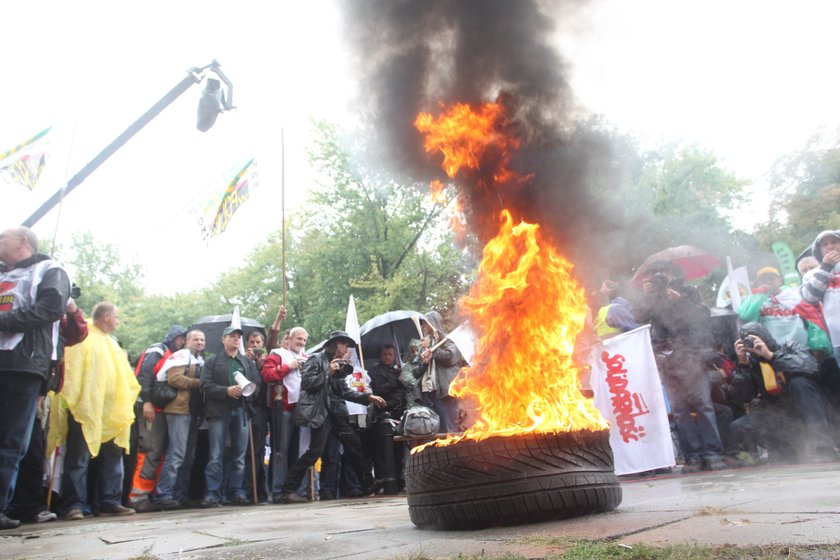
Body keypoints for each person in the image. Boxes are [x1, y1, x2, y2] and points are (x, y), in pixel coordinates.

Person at [0, 227, 70, 529]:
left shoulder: (50, 269)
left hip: (23, 364)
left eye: (4, 237)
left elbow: (51, 308)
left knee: (10, 442)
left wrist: (4, 321)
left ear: (22, 242)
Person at [633, 261, 726, 473]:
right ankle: (693, 456)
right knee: (680, 410)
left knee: (703, 405)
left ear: (670, 273)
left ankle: (713, 454)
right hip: (666, 359)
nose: (657, 277)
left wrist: (680, 301)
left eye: (660, 273)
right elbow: (638, 318)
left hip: (691, 354)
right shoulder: (651, 297)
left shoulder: (687, 291)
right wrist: (648, 296)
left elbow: (703, 316)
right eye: (652, 275)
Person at [53, 302, 140, 520]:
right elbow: (73, 370)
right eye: (116, 316)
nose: (118, 321)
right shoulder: (83, 336)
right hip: (86, 409)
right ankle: (73, 505)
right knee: (79, 457)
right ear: (107, 316)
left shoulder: (112, 343)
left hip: (110, 411)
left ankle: (110, 501)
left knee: (113, 456)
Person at [278, 330, 386, 503]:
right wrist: (328, 372)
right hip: (321, 414)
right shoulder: (316, 359)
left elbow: (344, 391)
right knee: (315, 453)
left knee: (356, 445)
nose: (347, 350)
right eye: (345, 345)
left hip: (336, 413)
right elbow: (307, 384)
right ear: (337, 344)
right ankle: (288, 490)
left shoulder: (340, 364)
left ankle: (368, 484)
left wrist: (368, 397)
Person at [8, 296, 87, 524]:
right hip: (15, 375)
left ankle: (28, 506)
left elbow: (76, 334)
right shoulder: (23, 302)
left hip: (36, 387)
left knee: (29, 448)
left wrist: (72, 311)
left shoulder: (54, 320)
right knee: (15, 446)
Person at [726, 322, 837, 462]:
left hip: (805, 408)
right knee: (739, 427)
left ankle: (822, 447)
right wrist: (742, 365)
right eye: (747, 340)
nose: (752, 343)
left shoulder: (789, 348)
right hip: (778, 414)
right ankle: (784, 450)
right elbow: (742, 397)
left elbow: (811, 367)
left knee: (800, 383)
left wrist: (771, 356)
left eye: (754, 338)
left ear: (765, 336)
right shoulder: (751, 364)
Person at [199, 326, 261, 507]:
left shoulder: (247, 362)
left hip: (241, 410)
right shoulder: (212, 361)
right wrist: (225, 391)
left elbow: (257, 384)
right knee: (215, 454)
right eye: (232, 336)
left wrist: (248, 393)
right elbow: (204, 385)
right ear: (223, 339)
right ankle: (212, 493)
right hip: (219, 411)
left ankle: (237, 491)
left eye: (238, 337)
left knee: (239, 455)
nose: (236, 339)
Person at [128, 325, 188, 512]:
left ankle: (150, 493)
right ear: (174, 337)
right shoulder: (158, 349)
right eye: (181, 338)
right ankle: (138, 496)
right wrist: (146, 401)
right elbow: (144, 374)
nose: (183, 341)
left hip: (162, 409)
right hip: (150, 408)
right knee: (149, 449)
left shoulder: (174, 354)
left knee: (158, 451)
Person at [153, 329, 205, 509]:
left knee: (186, 456)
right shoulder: (180, 355)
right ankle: (163, 494)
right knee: (176, 454)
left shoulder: (200, 359)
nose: (199, 342)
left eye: (202, 340)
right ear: (187, 341)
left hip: (192, 411)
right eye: (196, 339)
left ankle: (180, 495)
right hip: (177, 409)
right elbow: (174, 379)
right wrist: (199, 383)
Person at [261, 326, 308, 502]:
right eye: (299, 339)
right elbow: (266, 375)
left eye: (304, 340)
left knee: (300, 451)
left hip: (303, 410)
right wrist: (287, 367)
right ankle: (279, 491)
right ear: (289, 338)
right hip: (283, 408)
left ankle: (295, 489)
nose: (301, 342)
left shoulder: (307, 357)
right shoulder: (277, 354)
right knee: (281, 450)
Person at [413, 311, 463, 434]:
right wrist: (424, 363)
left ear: (433, 323)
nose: (423, 327)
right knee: (431, 430)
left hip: (445, 393)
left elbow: (450, 357)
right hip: (427, 394)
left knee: (449, 429)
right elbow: (415, 372)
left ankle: (452, 453)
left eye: (425, 323)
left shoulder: (448, 340)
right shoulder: (422, 345)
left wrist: (432, 350)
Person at [368, 345, 407, 492]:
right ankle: (383, 481)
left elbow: (402, 392)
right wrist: (396, 380)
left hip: (398, 413)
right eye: (385, 354)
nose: (388, 357)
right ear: (381, 355)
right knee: (382, 450)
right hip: (383, 414)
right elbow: (380, 389)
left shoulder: (398, 370)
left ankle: (398, 479)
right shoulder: (375, 370)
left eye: (391, 354)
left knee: (398, 450)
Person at [801, 230, 840, 368]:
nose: (830, 247)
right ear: (819, 250)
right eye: (825, 244)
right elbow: (809, 297)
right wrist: (826, 267)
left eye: (834, 242)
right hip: (837, 338)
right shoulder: (812, 274)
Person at [243, 330, 270, 503]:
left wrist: (260, 366)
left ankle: (259, 489)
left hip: (260, 410)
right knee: (244, 452)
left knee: (258, 451)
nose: (255, 345)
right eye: (252, 342)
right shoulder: (241, 360)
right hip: (244, 408)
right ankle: (245, 489)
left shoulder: (266, 361)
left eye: (258, 342)